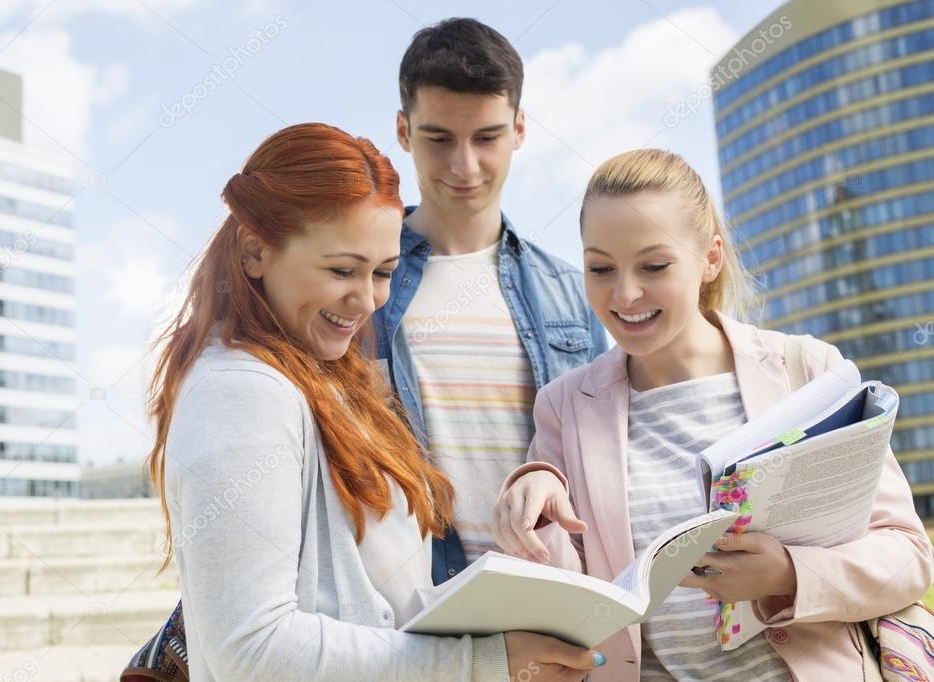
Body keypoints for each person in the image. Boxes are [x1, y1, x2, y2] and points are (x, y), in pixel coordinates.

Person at [146, 122, 602, 681]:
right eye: (342, 270)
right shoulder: (241, 393)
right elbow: (251, 649)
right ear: (254, 252)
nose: (366, 301)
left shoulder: (322, 377)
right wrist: (484, 663)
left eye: (383, 272)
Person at [492, 148, 934, 680]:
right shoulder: (565, 407)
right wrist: (534, 500)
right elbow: (566, 603)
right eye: (600, 268)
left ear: (710, 259)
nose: (625, 293)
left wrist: (791, 574)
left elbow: (909, 558)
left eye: (654, 266)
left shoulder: (807, 371)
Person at [373, 17, 609, 586]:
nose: (464, 165)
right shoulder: (358, 288)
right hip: (412, 616)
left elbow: (600, 459)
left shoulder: (574, 294)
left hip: (550, 598)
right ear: (403, 132)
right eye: (438, 139)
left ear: (520, 128)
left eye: (486, 137)